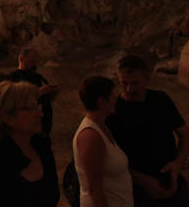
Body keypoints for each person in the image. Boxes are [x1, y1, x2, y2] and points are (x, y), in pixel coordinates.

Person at [106, 55, 189, 206]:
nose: (129, 89)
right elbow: (107, 157)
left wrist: (177, 165)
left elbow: (185, 135)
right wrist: (142, 180)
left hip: (169, 179)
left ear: (147, 79)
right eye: (124, 83)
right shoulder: (113, 109)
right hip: (134, 186)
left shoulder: (161, 100)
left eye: (135, 83)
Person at [0, 81, 59, 207]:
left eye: (38, 106)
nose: (40, 113)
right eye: (31, 108)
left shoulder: (42, 149)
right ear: (8, 117)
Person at [74, 76, 133, 207]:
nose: (116, 99)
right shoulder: (90, 136)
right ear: (101, 101)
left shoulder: (103, 127)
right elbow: (95, 189)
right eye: (113, 96)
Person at [0, 47, 59, 136]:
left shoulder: (38, 77)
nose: (35, 63)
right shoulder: (12, 78)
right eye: (32, 59)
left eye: (36, 60)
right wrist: (39, 92)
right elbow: (15, 100)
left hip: (43, 126)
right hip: (27, 128)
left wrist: (52, 93)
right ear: (21, 59)